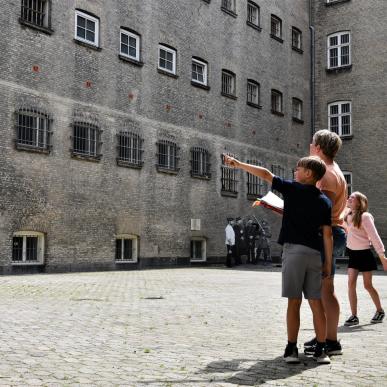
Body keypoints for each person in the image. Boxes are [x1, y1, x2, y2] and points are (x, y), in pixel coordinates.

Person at [224, 154, 333, 364]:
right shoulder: (324, 201)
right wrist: (327, 262)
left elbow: (265, 174)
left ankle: (291, 349)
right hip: (315, 255)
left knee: (294, 301)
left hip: (294, 252)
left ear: (308, 174)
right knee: (316, 303)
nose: (295, 172)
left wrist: (239, 164)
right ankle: (322, 350)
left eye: (298, 169)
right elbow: (327, 235)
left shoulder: (292, 189)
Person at [304, 129, 347, 356]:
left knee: (321, 290)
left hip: (326, 235)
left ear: (319, 148)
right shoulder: (335, 171)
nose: (310, 146)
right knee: (326, 289)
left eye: (312, 143)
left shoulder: (327, 175)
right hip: (335, 232)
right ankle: (329, 337)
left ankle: (328, 340)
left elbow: (323, 212)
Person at [343, 192, 387, 326]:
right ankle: (354, 315)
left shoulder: (365, 216)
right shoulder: (348, 215)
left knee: (367, 285)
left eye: (352, 198)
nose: (349, 198)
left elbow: (374, 236)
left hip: (364, 254)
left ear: (360, 202)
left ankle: (380, 311)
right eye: (349, 197)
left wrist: (382, 256)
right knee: (351, 283)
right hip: (353, 254)